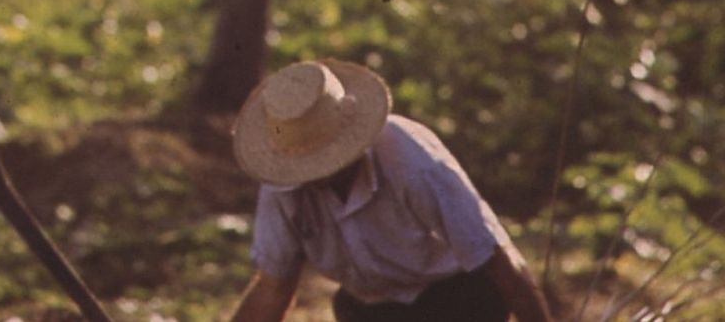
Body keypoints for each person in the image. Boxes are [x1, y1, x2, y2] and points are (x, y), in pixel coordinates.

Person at [227, 59, 555, 322]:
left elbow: (497, 260)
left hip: (456, 297)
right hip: (370, 307)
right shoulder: (282, 186)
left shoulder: (413, 162)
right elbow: (273, 287)